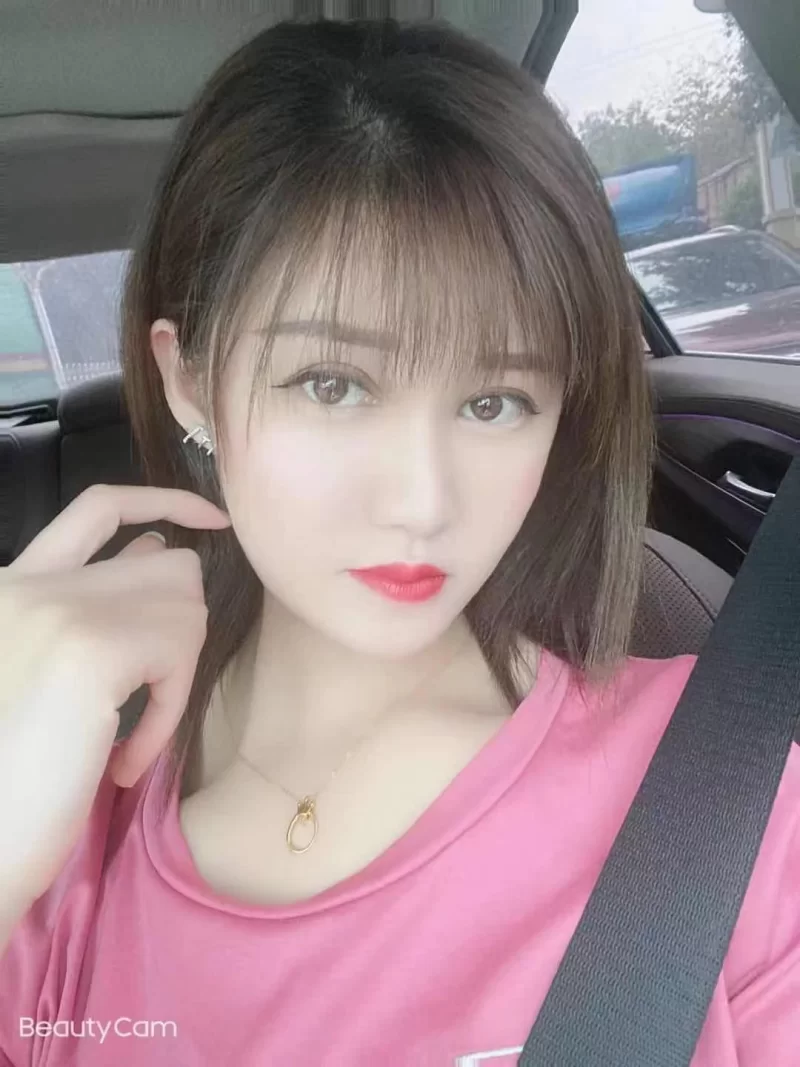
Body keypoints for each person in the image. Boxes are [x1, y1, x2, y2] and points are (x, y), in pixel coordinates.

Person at [0, 16, 797, 1067]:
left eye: (495, 401)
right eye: (332, 385)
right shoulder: (52, 818)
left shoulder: (730, 808)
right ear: (187, 379)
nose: (423, 501)